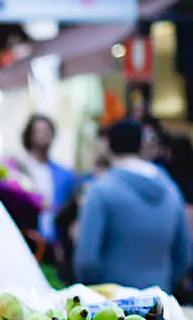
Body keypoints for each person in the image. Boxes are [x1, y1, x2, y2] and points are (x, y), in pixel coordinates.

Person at [74, 120, 193, 292]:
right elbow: (184, 256)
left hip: (113, 308)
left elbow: (86, 262)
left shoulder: (100, 191)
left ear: (107, 146)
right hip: (158, 301)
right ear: (141, 145)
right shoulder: (171, 189)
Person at [15, 114, 77, 243]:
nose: (43, 136)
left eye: (47, 131)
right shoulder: (17, 168)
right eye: (38, 131)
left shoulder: (64, 174)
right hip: (26, 236)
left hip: (54, 240)